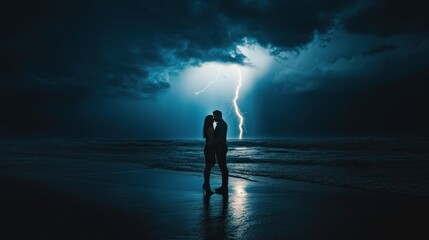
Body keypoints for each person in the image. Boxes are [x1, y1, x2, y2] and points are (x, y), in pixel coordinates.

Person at [213, 110, 228, 194]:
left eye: (214, 116)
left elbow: (221, 137)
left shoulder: (222, 124)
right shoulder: (221, 124)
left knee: (223, 167)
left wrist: (212, 143)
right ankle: (224, 186)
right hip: (220, 147)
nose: (213, 117)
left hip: (221, 148)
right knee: (222, 167)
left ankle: (224, 187)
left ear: (219, 116)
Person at [202, 115, 215, 195]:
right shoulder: (210, 129)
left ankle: (206, 185)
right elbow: (212, 140)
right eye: (212, 119)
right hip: (210, 149)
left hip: (208, 148)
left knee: (208, 167)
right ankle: (207, 186)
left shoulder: (208, 128)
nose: (213, 120)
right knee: (208, 167)